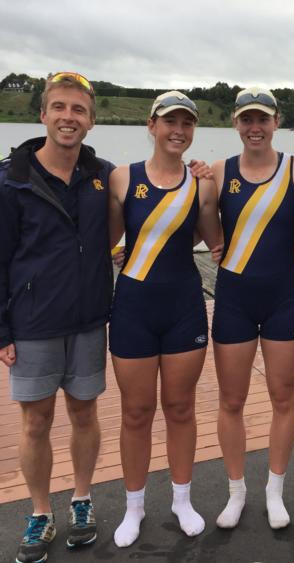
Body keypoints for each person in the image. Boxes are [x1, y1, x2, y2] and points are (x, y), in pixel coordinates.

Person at [0, 72, 113, 563]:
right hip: (32, 322)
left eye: (79, 110)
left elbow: (155, 184)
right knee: (35, 422)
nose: (69, 117)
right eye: (60, 107)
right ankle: (41, 512)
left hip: (89, 320)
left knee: (85, 413)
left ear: (91, 120)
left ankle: (82, 500)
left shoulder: (103, 175)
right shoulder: (10, 181)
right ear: (42, 115)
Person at [107, 91, 221, 547]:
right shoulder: (121, 178)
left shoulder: (203, 184)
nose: (178, 130)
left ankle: (181, 499)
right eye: (169, 121)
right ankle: (134, 507)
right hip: (133, 306)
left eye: (187, 123)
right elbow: (105, 239)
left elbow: (215, 240)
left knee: (179, 408)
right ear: (152, 126)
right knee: (136, 412)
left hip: (182, 306)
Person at [210, 87, 294, 530]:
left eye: (263, 120)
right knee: (231, 400)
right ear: (236, 124)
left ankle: (275, 489)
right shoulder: (217, 172)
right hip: (233, 298)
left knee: (282, 397)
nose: (255, 128)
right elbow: (194, 221)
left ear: (276, 122)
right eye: (246, 120)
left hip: (282, 297)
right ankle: (237, 491)